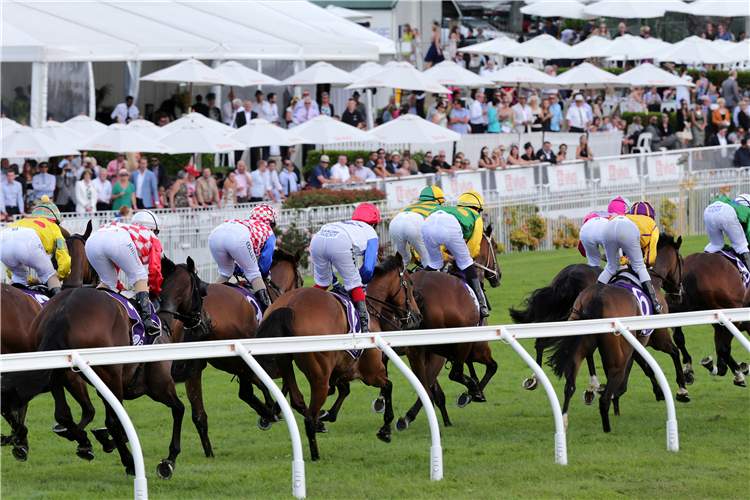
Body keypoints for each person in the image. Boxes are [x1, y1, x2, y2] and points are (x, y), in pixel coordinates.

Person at [85, 211, 163, 335]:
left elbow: (115, 266)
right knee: (140, 276)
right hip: (117, 240)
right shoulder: (150, 236)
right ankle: (147, 320)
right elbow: (155, 270)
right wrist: (153, 292)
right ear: (153, 230)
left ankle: (89, 308)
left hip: (92, 241)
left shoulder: (126, 228)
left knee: (107, 282)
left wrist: (119, 286)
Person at [310, 203, 381, 332]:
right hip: (339, 241)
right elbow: (369, 268)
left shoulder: (345, 224)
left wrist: (335, 282)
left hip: (317, 239)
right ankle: (364, 327)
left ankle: (306, 304)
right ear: (374, 224)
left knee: (323, 283)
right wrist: (362, 286)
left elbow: (327, 265)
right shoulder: (371, 232)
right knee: (355, 285)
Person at [421, 190, 489, 319]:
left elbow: (440, 245)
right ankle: (482, 304)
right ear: (478, 208)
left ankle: (416, 292)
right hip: (448, 226)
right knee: (466, 262)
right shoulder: (475, 215)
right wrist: (460, 259)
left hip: (427, 223)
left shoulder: (450, 209)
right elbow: (474, 250)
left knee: (435, 263)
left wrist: (446, 257)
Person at [208, 203, 277, 310]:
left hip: (216, 233)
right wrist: (264, 274)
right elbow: (265, 262)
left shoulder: (246, 222)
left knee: (225, 272)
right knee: (254, 274)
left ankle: (206, 301)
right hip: (238, 236)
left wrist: (241, 271)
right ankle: (268, 313)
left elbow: (233, 263)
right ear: (271, 222)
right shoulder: (269, 231)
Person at [597, 201, 662, 313]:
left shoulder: (627, 216)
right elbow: (649, 260)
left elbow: (619, 258)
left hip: (609, 225)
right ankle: (655, 304)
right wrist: (632, 262)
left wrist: (624, 260)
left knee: (611, 267)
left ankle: (595, 294)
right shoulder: (651, 224)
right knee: (640, 267)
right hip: (626, 230)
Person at [0, 196, 70, 295]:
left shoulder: (22, 221)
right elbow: (63, 256)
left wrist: (29, 279)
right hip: (28, 239)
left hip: (3, 238)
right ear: (56, 220)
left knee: (18, 278)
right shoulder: (54, 226)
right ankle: (59, 307)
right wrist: (60, 275)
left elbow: (10, 263)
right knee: (49, 275)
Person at [390, 186, 446, 271]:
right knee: (429, 261)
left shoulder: (409, 206)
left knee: (403, 262)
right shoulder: (439, 209)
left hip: (395, 222)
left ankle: (397, 282)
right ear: (439, 201)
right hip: (415, 223)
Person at [578, 197, 631, 267]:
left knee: (593, 264)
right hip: (604, 227)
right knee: (618, 264)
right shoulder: (621, 218)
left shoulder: (594, 213)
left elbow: (581, 247)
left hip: (587, 228)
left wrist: (595, 254)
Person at [703, 194, 750, 270]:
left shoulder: (734, 204)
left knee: (715, 245)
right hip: (725, 211)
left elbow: (713, 239)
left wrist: (726, 248)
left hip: (708, 210)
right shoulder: (747, 210)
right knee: (741, 246)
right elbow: (749, 232)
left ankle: (701, 263)